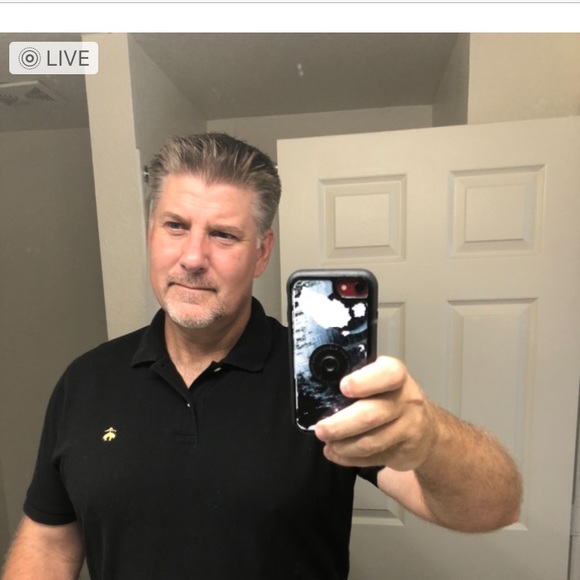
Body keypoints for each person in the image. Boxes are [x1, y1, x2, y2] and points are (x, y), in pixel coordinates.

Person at [2, 133, 522, 580]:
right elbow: (49, 540)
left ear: (262, 252)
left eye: (223, 235)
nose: (192, 257)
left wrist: (430, 436)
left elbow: (492, 507)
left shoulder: (324, 385)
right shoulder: (85, 381)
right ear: (150, 233)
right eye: (175, 226)